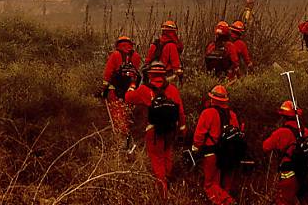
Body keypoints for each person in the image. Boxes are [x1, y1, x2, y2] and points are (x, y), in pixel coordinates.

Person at [124, 61, 186, 199]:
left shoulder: (144, 90)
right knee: (167, 155)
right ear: (164, 75)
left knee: (157, 160)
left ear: (150, 74)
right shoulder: (173, 90)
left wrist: (132, 85)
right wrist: (182, 130)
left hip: (154, 131)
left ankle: (163, 193)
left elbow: (128, 98)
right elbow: (181, 112)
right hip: (171, 130)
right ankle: (168, 181)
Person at [263, 100, 308, 205]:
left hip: (289, 174)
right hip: (307, 175)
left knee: (282, 202)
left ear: (283, 117)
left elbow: (265, 146)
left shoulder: (281, 132)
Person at [192, 85, 244, 205]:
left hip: (212, 154)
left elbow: (199, 135)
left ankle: (229, 202)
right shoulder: (232, 115)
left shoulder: (207, 113)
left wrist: (195, 148)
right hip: (230, 155)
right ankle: (226, 199)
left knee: (210, 185)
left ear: (212, 99)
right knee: (225, 187)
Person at [101, 35, 142, 150]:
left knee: (117, 113)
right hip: (130, 90)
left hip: (115, 90)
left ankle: (122, 141)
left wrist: (104, 88)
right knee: (127, 113)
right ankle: (130, 138)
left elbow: (108, 72)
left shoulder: (115, 54)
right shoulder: (136, 56)